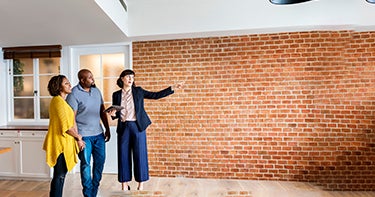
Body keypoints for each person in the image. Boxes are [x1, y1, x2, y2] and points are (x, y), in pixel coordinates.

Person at [108, 69, 183, 191]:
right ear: (122, 78)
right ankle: (124, 184)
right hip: (123, 127)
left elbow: (155, 95)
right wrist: (112, 114)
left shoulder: (138, 91)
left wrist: (172, 88)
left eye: (132, 77)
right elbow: (116, 113)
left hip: (138, 127)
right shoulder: (116, 95)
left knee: (140, 155)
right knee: (123, 156)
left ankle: (140, 185)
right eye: (128, 77)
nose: (130, 79)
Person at [66, 69, 111, 197]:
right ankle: (88, 193)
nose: (92, 79)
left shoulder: (96, 91)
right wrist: (78, 138)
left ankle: (94, 190)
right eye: (89, 77)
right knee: (86, 164)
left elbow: (102, 111)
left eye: (92, 77)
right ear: (82, 80)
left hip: (98, 134)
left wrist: (107, 128)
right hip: (84, 135)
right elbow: (71, 118)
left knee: (100, 162)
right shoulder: (73, 94)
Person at [43, 75, 85, 197]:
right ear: (58, 86)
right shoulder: (58, 102)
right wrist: (79, 138)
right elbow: (65, 128)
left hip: (64, 143)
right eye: (66, 83)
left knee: (60, 175)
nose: (70, 85)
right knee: (59, 176)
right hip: (60, 144)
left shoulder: (62, 102)